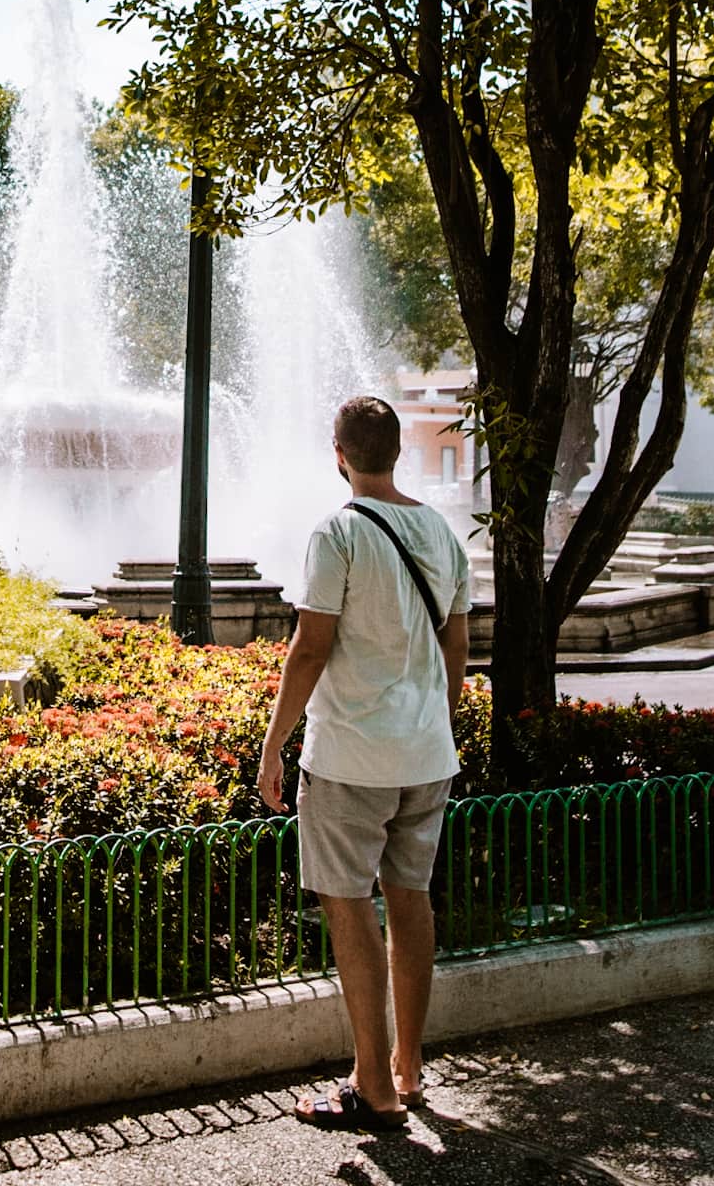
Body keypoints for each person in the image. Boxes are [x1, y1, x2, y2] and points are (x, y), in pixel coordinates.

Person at [258, 393, 470, 1134]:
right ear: (399, 452)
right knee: (410, 899)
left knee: (348, 905)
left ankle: (372, 1089)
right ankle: (408, 1070)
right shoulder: (440, 532)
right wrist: (430, 728)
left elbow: (311, 647)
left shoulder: (338, 532)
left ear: (338, 453)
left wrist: (274, 744)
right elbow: (457, 650)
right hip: (425, 754)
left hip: (352, 755)